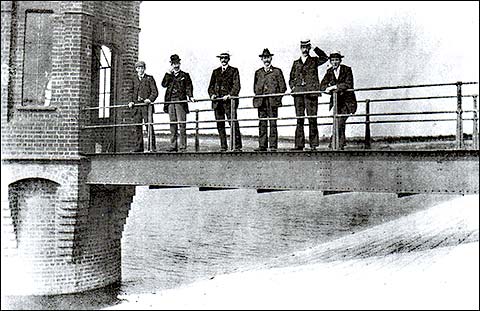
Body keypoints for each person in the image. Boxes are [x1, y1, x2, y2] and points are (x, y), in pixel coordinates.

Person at [289, 39, 329, 150]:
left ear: (309, 48)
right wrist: (293, 88)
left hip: (311, 94)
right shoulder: (296, 63)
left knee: (312, 118)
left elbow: (325, 58)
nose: (305, 50)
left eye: (307, 47)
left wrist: (315, 48)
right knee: (299, 119)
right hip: (299, 95)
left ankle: (313, 144)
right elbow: (291, 78)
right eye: (303, 47)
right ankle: (299, 144)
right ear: (300, 48)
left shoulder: (314, 60)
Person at [320, 51, 357, 150]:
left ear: (340, 60)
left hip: (347, 102)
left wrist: (334, 87)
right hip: (336, 102)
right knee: (338, 122)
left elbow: (348, 84)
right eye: (332, 60)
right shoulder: (329, 72)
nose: (334, 62)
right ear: (330, 61)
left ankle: (335, 144)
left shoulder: (347, 69)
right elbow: (322, 85)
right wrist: (327, 90)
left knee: (340, 121)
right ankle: (339, 144)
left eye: (336, 60)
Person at [253, 48, 287, 151]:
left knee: (273, 123)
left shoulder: (277, 71)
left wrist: (277, 98)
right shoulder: (258, 72)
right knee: (262, 123)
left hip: (272, 102)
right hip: (261, 101)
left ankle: (273, 146)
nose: (266, 60)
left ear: (271, 58)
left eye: (268, 57)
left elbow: (283, 87)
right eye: (264, 58)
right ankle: (262, 145)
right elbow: (255, 87)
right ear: (262, 59)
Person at [208, 52, 242, 151]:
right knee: (220, 125)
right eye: (221, 58)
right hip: (217, 102)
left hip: (229, 102)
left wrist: (230, 95)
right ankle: (223, 146)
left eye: (225, 58)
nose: (223, 60)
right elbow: (210, 87)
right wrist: (212, 95)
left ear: (228, 59)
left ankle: (237, 146)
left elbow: (237, 86)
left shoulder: (234, 71)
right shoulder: (215, 72)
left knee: (233, 123)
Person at [161, 54, 194, 152]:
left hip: (180, 102)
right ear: (171, 64)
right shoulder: (169, 76)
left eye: (177, 63)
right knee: (172, 124)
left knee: (182, 124)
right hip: (170, 102)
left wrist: (190, 96)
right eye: (174, 64)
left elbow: (189, 87)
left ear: (180, 63)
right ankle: (173, 146)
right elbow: (163, 84)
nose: (176, 65)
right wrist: (167, 74)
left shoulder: (185, 75)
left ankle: (183, 146)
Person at [128, 60, 158, 152]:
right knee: (137, 127)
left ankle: (152, 147)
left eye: (142, 68)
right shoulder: (133, 79)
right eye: (138, 68)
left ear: (144, 69)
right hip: (136, 107)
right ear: (136, 69)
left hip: (146, 107)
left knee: (149, 126)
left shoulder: (149, 78)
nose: (140, 70)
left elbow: (155, 92)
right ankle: (139, 147)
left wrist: (149, 99)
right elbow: (130, 92)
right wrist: (130, 101)